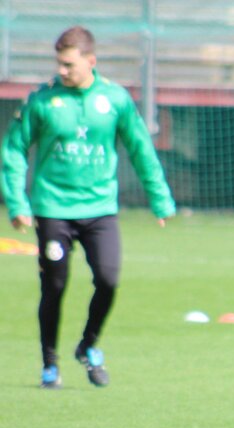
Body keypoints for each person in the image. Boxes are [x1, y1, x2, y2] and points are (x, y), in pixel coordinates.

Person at [1, 25, 175, 389]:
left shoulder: (115, 100)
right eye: (59, 64)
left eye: (69, 64)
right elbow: (14, 148)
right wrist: (17, 201)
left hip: (100, 209)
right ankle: (50, 363)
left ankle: (88, 346)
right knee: (55, 285)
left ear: (90, 61)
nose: (62, 71)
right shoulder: (43, 100)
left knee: (109, 280)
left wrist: (159, 198)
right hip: (53, 208)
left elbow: (141, 147)